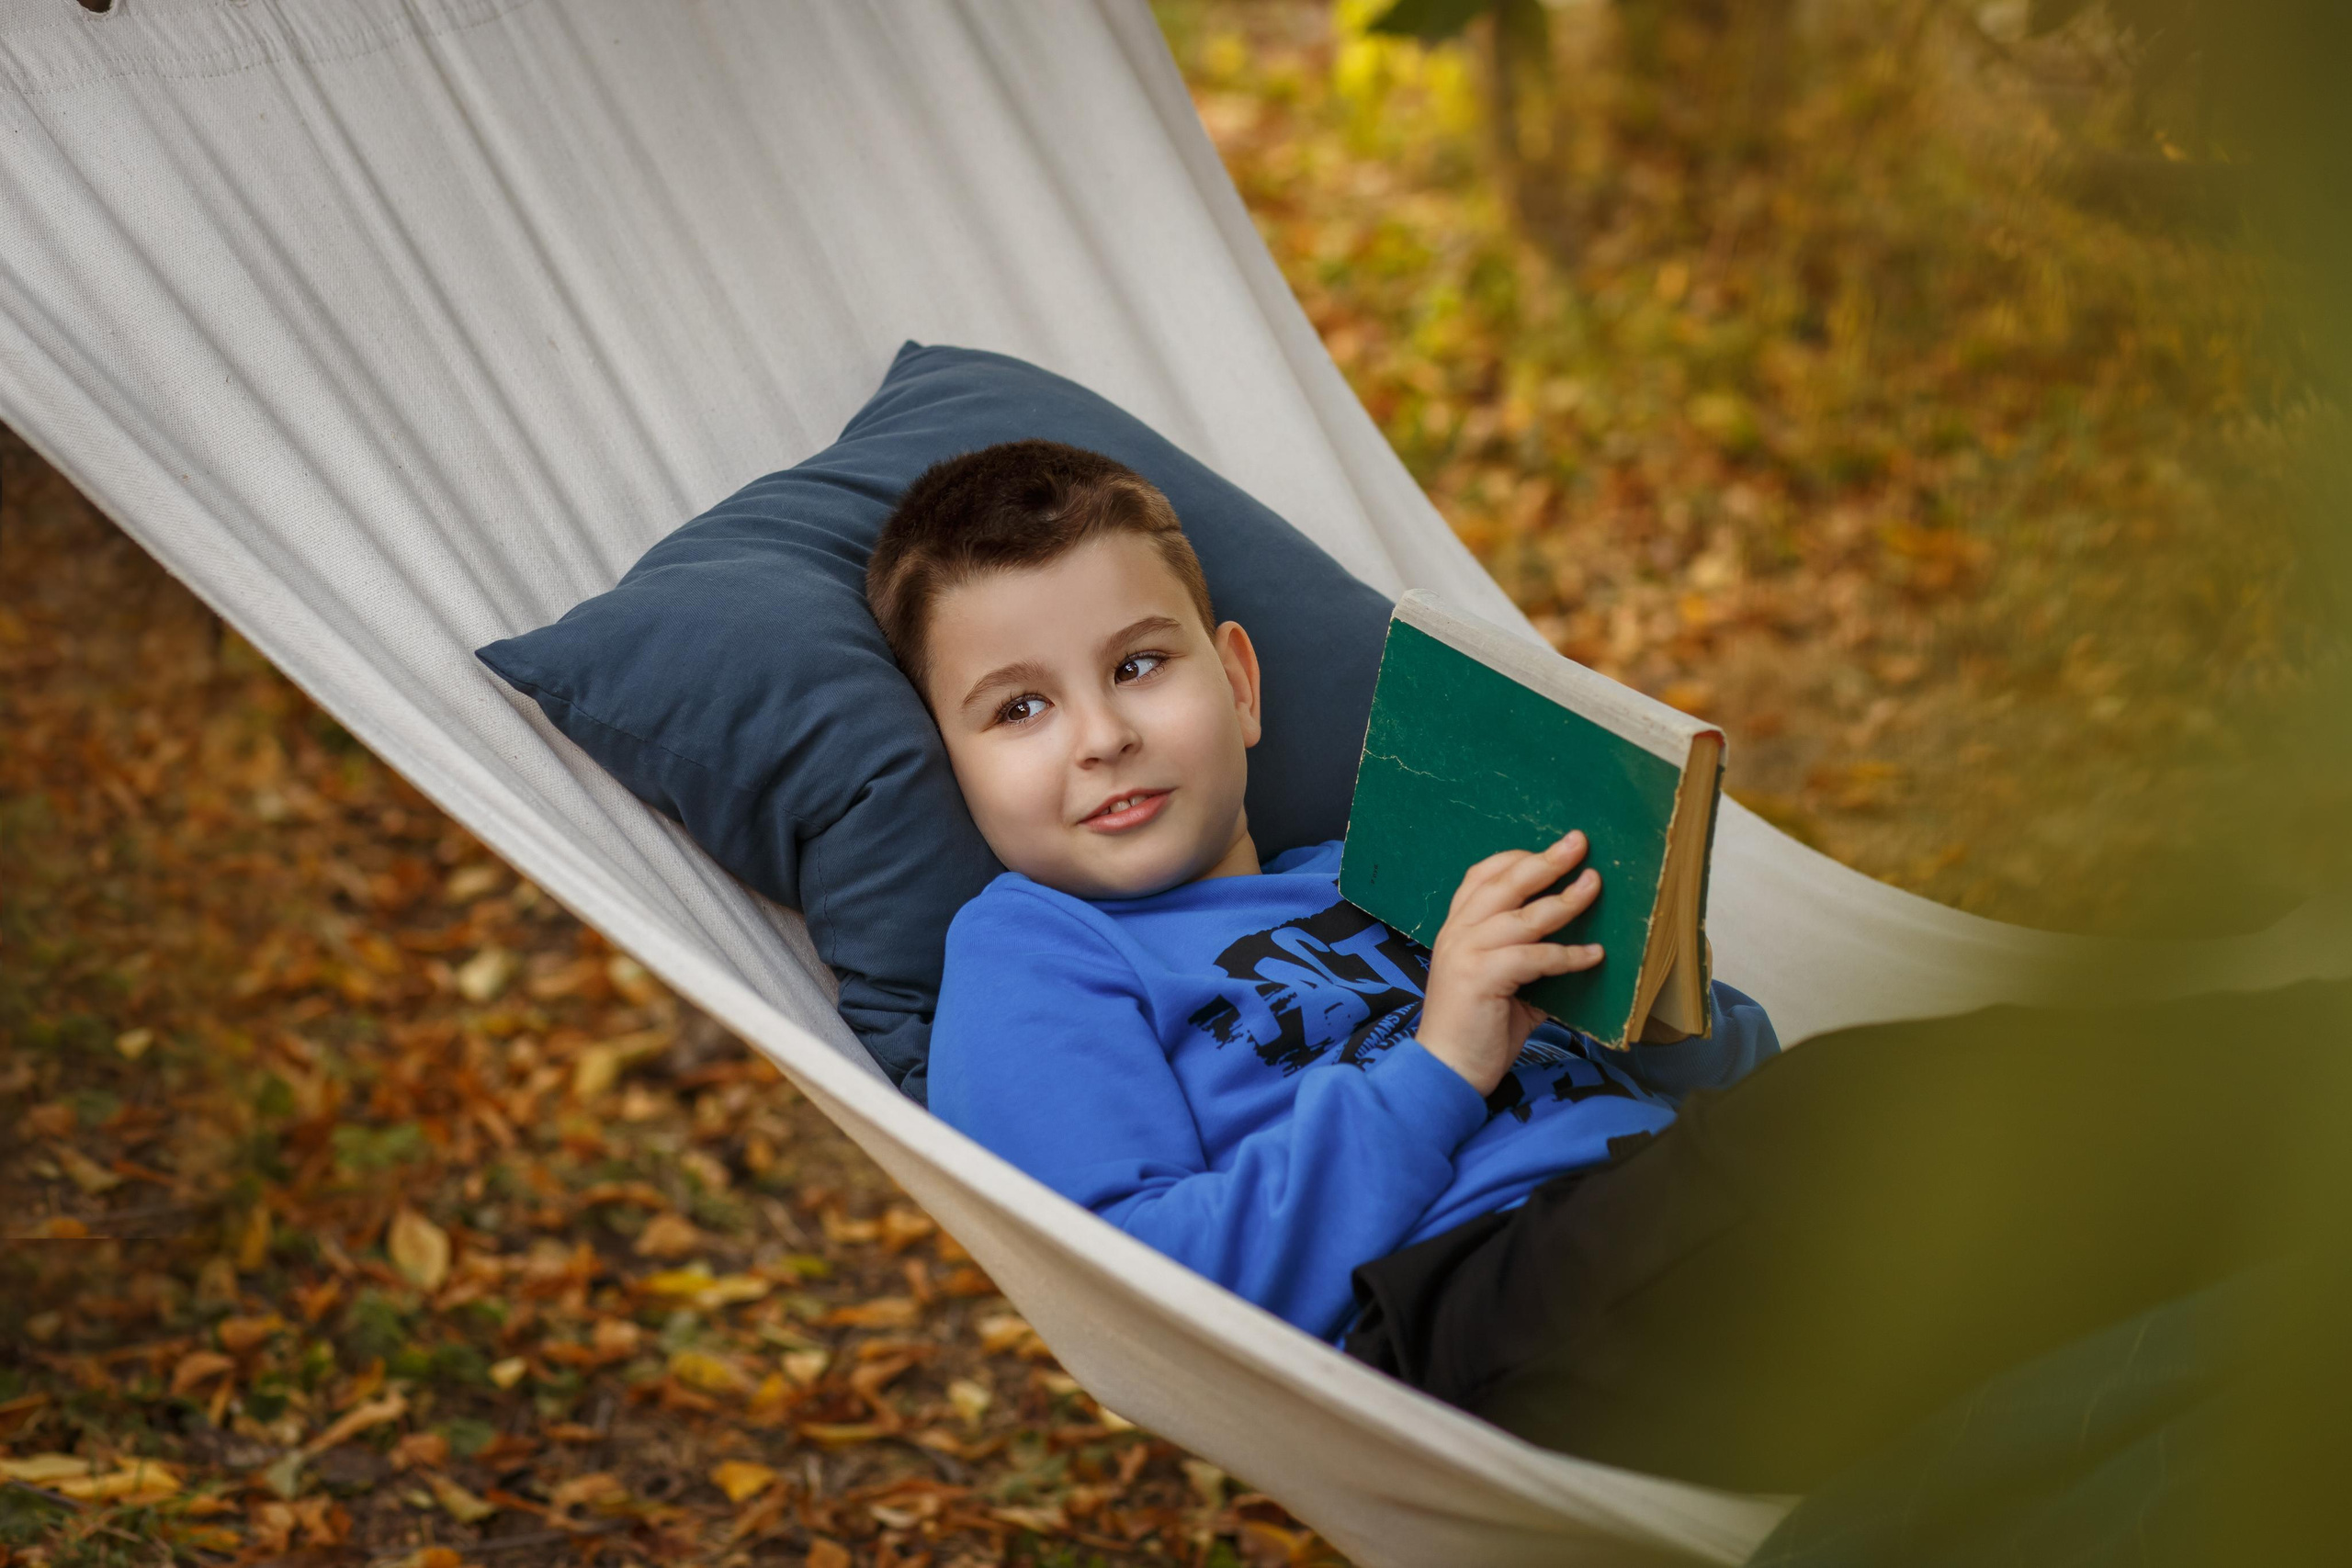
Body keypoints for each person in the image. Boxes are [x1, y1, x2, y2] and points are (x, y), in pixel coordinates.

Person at [865, 440, 2346, 1498]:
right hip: (1476, 1312)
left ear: (1238, 684)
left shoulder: (1387, 862)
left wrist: (1663, 999)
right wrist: (1441, 1062)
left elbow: (1726, 1086)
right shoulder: (1032, 951)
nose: (1103, 736)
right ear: (956, 763)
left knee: (2034, 1136)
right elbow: (1142, 1286)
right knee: (1881, 1117)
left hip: (1686, 1217)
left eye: (1140, 665)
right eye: (1018, 709)